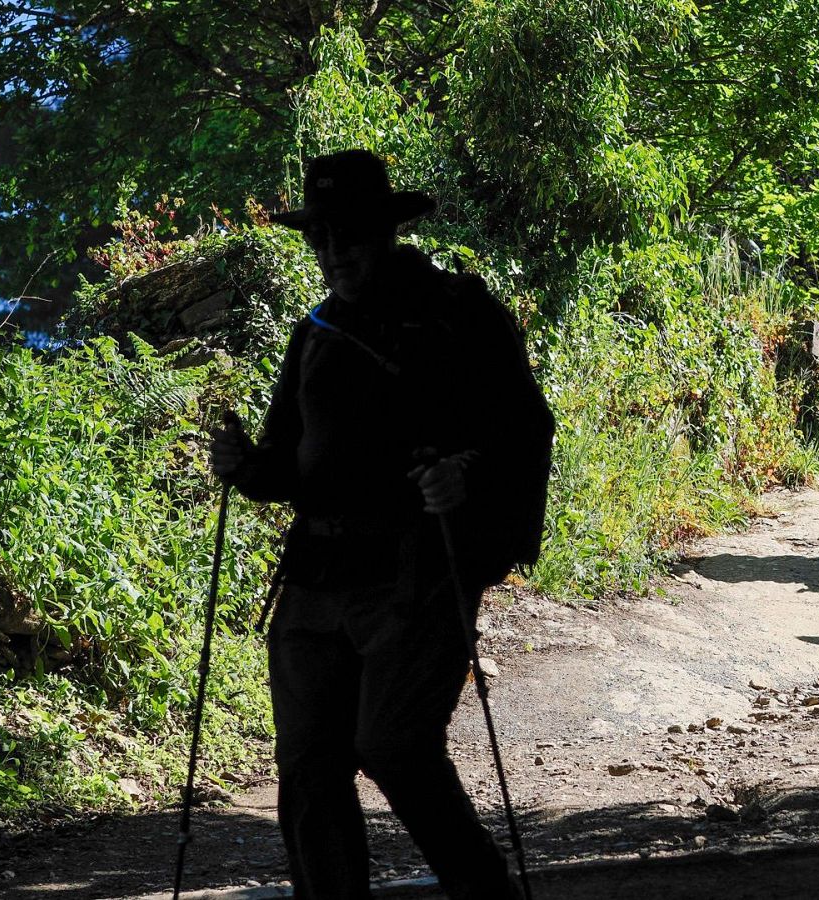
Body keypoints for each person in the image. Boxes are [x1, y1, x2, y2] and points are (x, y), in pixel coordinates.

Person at [210, 149, 552, 899]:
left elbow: (524, 431)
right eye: (321, 239)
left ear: (387, 232)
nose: (334, 254)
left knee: (394, 747)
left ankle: (483, 891)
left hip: (417, 574)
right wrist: (243, 465)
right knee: (308, 767)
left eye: (350, 237)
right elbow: (285, 464)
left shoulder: (458, 313)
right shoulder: (318, 332)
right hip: (315, 580)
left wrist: (465, 476)